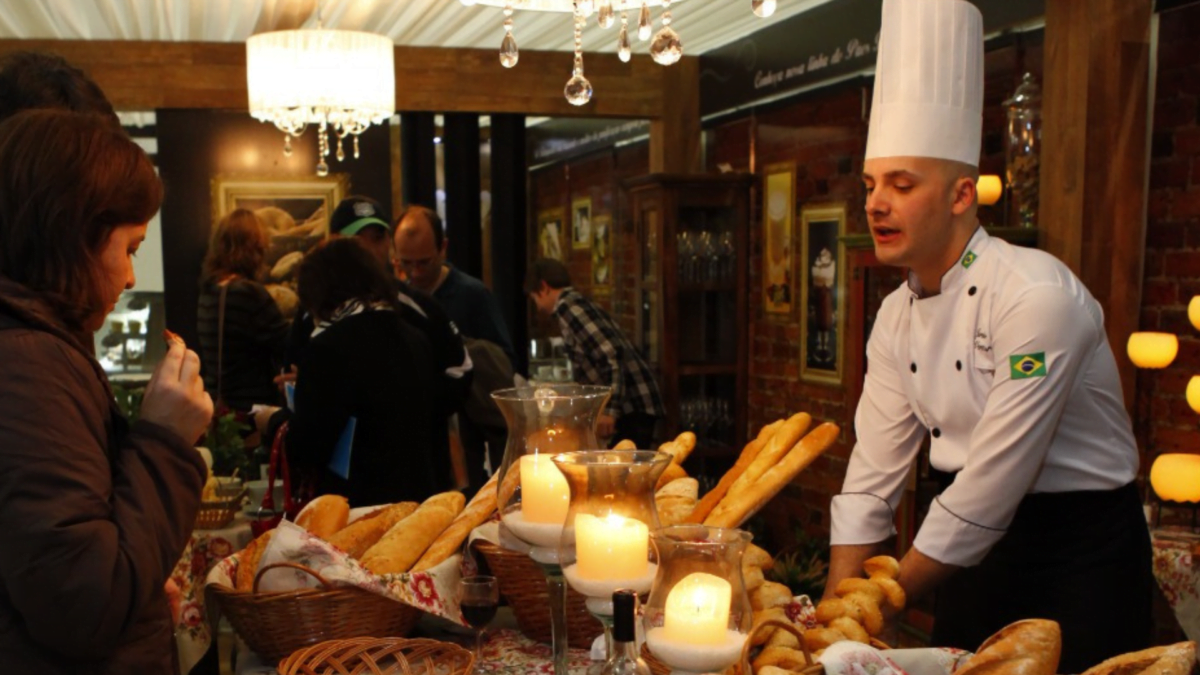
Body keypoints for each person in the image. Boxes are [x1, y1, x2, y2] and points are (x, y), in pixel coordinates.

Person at [825, 0, 1153, 670]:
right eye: (870, 184)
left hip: (1079, 555)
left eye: (902, 183)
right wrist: (835, 614)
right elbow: (870, 479)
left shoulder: (1037, 298)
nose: (876, 202)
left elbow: (993, 483)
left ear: (962, 195)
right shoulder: (895, 315)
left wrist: (880, 602)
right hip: (964, 559)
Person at [0, 109, 212, 674]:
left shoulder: (36, 350)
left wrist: (138, 592)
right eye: (131, 247)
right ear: (76, 235)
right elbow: (83, 605)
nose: (129, 278)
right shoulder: (28, 364)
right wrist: (166, 439)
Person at [283, 238, 444, 506]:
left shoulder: (327, 347)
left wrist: (276, 421)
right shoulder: (415, 337)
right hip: (418, 500)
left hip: (358, 508)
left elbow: (307, 449)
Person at [526, 258, 665, 448]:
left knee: (626, 473)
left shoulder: (569, 308)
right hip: (635, 402)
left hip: (633, 405)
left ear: (544, 287)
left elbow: (611, 354)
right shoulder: (578, 302)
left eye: (535, 298)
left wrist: (609, 411)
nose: (538, 306)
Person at [393, 204, 516, 363]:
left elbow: (505, 361)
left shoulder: (473, 295)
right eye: (406, 263)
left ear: (443, 248)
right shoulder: (400, 299)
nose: (415, 272)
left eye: (424, 262)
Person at [197, 208, 290, 412]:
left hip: (217, 407)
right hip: (252, 411)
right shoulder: (249, 294)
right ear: (254, 247)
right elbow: (288, 344)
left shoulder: (209, 290)